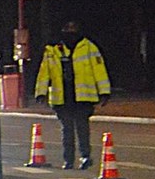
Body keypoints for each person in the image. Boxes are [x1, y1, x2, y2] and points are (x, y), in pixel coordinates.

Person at [34, 20, 112, 169]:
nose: (71, 31)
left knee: (82, 128)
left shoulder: (89, 47)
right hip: (62, 98)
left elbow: (99, 71)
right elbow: (44, 73)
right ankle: (68, 160)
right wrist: (41, 93)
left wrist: (104, 92)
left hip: (83, 98)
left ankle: (85, 156)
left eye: (73, 28)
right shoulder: (52, 50)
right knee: (67, 130)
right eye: (67, 28)